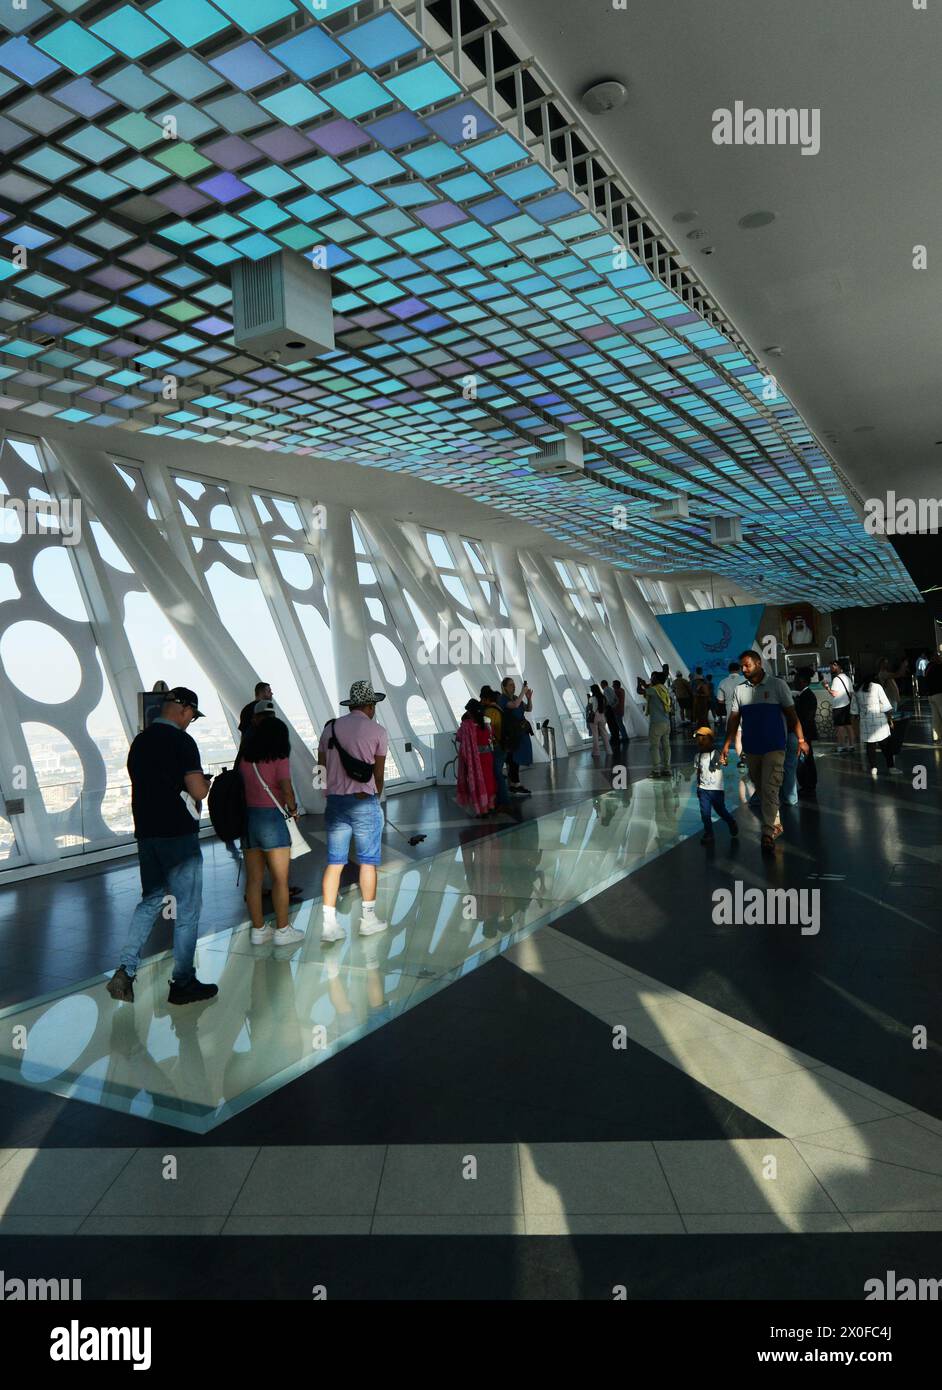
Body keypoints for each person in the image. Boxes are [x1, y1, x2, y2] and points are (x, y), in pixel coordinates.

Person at [106, 688, 217, 1005]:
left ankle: (126, 971)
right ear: (183, 710)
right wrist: (206, 784)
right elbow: (197, 791)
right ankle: (183, 982)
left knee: (151, 900)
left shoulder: (140, 742)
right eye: (192, 717)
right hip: (178, 835)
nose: (191, 722)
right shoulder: (183, 742)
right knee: (188, 911)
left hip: (148, 834)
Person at [317, 680, 388, 944]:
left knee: (335, 864)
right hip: (364, 801)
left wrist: (329, 792)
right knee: (368, 862)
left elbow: (320, 767)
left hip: (336, 802)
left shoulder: (331, 729)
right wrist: (374, 796)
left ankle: (329, 924)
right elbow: (378, 774)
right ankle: (368, 920)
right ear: (370, 705)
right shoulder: (378, 731)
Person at [721, 651, 808, 854]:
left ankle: (768, 832)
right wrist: (727, 744)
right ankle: (775, 821)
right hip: (752, 748)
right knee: (760, 787)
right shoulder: (739, 690)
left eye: (747, 665)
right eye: (741, 666)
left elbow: (791, 715)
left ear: (758, 664)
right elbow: (733, 719)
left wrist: (801, 740)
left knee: (770, 786)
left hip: (775, 746)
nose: (743, 670)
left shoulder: (778, 685)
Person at [239, 704, 305, 946]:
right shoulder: (279, 758)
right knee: (280, 879)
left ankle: (258, 930)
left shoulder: (246, 758)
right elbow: (286, 790)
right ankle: (283, 930)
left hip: (249, 820)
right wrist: (294, 810)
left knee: (254, 880)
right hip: (272, 821)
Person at [693, 726, 739, 845]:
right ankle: (709, 833)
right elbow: (698, 771)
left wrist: (724, 761)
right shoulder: (697, 756)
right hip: (703, 790)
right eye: (698, 740)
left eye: (702, 739)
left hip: (716, 790)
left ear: (710, 740)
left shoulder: (716, 753)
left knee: (720, 810)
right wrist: (698, 786)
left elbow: (723, 761)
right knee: (705, 813)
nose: (699, 742)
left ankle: (731, 821)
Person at [851, 671, 899, 777]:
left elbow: (854, 711)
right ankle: (891, 767)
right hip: (879, 721)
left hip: (865, 722)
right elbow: (885, 705)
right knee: (886, 746)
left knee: (870, 746)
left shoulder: (857, 690)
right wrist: (890, 719)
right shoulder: (877, 687)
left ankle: (874, 768)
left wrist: (855, 727)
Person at [457, 699, 496, 816]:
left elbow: (459, 737)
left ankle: (482, 810)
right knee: (489, 779)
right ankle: (490, 805)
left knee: (478, 781)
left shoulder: (467, 726)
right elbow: (491, 736)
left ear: (470, 712)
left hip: (475, 759)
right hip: (487, 756)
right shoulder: (486, 724)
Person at [480, 687, 514, 812]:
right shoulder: (499, 709)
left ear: (487, 699)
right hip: (503, 744)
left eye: (482, 699)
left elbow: (488, 730)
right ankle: (501, 799)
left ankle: (504, 801)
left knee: (497, 773)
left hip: (497, 746)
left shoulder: (489, 711)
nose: (481, 701)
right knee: (498, 772)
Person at [500, 676, 533, 793]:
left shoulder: (515, 697)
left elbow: (528, 709)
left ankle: (514, 784)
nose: (513, 687)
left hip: (519, 731)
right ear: (504, 687)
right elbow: (514, 705)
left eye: (514, 685)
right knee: (513, 758)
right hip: (511, 733)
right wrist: (522, 693)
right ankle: (515, 784)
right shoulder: (503, 699)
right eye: (510, 685)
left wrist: (529, 698)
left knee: (516, 758)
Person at [793, 668, 818, 796]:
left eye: (796, 680)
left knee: (805, 759)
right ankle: (809, 783)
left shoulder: (806, 697)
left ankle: (808, 783)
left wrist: (802, 736)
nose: (794, 682)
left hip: (805, 732)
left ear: (802, 682)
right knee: (807, 759)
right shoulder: (805, 695)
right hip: (805, 732)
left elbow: (806, 718)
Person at [824, 660, 855, 753]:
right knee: (848, 726)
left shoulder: (836, 679)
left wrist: (826, 687)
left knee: (839, 727)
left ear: (836, 665)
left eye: (831, 667)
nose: (830, 669)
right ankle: (851, 745)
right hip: (847, 705)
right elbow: (851, 693)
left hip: (838, 706)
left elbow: (834, 693)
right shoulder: (847, 678)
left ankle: (841, 746)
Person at [645, 671, 672, 777]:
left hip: (656, 723)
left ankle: (656, 770)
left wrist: (640, 683)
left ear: (656, 679)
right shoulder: (664, 689)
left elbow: (641, 691)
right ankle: (667, 769)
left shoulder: (654, 689)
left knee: (654, 746)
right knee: (666, 746)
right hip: (666, 722)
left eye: (653, 677)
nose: (651, 679)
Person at [587, 682, 611, 756]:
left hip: (594, 717)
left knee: (595, 735)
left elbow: (592, 708)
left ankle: (596, 752)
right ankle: (609, 751)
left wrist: (588, 699)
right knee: (604, 733)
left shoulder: (592, 698)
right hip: (602, 716)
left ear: (593, 690)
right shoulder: (603, 697)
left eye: (591, 690)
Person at [926, 654, 942, 743]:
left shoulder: (928, 667)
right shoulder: (939, 667)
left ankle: (937, 738)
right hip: (939, 695)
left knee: (936, 718)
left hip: (931, 696)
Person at [600, 679, 620, 746]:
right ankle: (616, 737)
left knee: (610, 723)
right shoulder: (611, 689)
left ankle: (613, 738)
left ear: (603, 684)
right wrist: (614, 706)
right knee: (614, 723)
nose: (601, 686)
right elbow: (617, 699)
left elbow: (607, 700)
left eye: (601, 685)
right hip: (611, 708)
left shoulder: (605, 690)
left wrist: (607, 707)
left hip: (608, 708)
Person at [612, 679, 630, 744]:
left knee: (620, 724)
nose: (612, 686)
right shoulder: (622, 690)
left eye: (613, 684)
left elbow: (614, 700)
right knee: (621, 724)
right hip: (621, 710)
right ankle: (624, 736)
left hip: (617, 710)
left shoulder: (616, 691)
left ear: (616, 685)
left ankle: (624, 737)